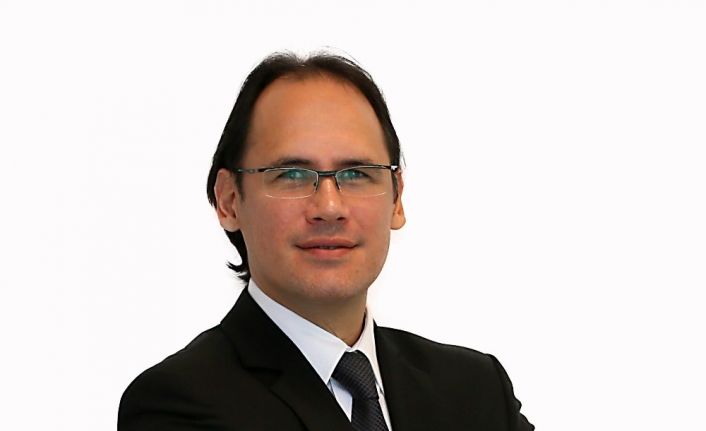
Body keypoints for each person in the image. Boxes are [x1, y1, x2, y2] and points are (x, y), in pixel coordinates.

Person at [118, 51, 534, 431]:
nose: (330, 207)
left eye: (357, 174)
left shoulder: (475, 389)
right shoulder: (176, 404)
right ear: (228, 201)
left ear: (396, 200)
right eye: (292, 175)